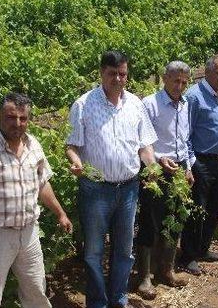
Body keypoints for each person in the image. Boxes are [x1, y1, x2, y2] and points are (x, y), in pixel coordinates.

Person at [0, 92, 73, 308]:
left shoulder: (33, 145)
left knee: (36, 292)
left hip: (29, 234)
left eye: (23, 118)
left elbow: (42, 184)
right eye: (11, 118)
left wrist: (60, 213)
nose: (17, 124)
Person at [65, 51, 157, 308]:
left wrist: (153, 168)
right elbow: (71, 145)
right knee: (94, 251)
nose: (118, 79)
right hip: (95, 190)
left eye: (123, 74)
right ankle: (97, 302)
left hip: (128, 188)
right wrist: (76, 161)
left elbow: (145, 145)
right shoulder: (83, 105)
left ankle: (118, 297)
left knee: (124, 249)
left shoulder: (135, 104)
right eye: (112, 73)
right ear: (101, 74)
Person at [136, 61, 194, 299]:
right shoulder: (149, 104)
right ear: (164, 78)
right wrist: (159, 160)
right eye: (175, 80)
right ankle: (144, 277)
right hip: (155, 169)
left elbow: (184, 141)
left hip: (179, 169)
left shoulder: (186, 104)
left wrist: (188, 167)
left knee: (175, 218)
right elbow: (141, 141)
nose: (179, 86)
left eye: (183, 82)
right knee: (150, 220)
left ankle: (167, 270)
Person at [179, 55, 218, 276]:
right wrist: (191, 163)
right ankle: (188, 255)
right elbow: (186, 133)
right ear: (208, 72)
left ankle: (203, 249)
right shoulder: (194, 96)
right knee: (197, 209)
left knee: (213, 207)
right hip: (200, 161)